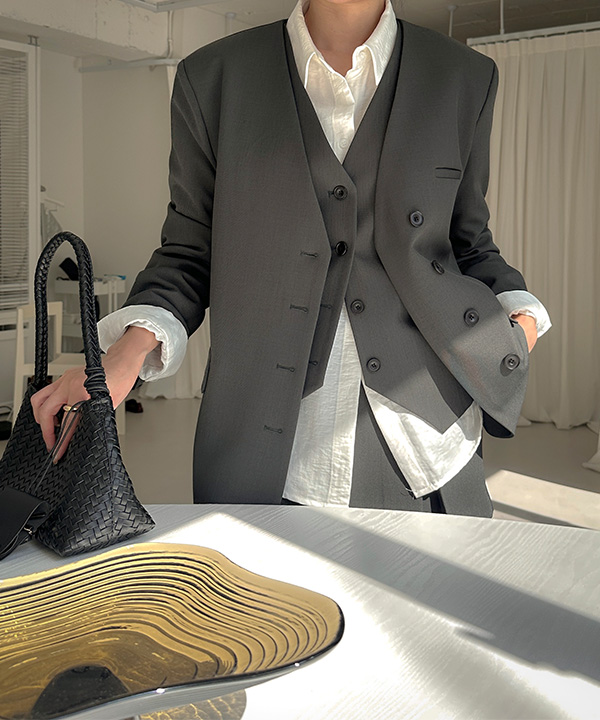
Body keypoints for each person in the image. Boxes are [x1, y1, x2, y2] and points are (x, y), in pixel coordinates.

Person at [32, 0, 550, 516]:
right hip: (266, 444)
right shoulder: (211, 78)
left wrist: (522, 319)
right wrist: (124, 353)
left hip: (431, 442)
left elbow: (468, 241)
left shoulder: (464, 76)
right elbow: (190, 250)